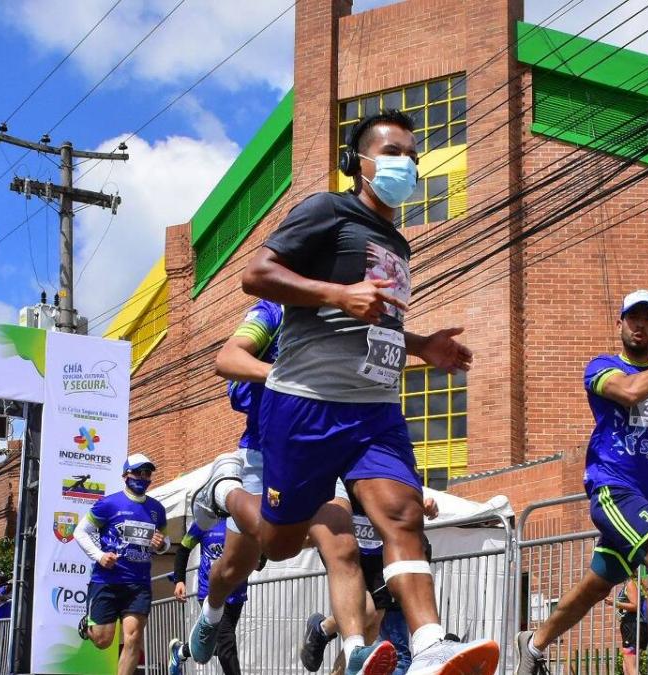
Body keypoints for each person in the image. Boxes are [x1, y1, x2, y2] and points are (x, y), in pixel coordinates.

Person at [197, 109, 498, 675]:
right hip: (307, 404)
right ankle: (225, 491)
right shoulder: (328, 210)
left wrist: (419, 345)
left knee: (402, 514)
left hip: (374, 409)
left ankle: (430, 645)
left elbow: (370, 318)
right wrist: (336, 293)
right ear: (359, 164)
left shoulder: (399, 244)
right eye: (392, 153)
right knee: (278, 541)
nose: (406, 163)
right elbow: (256, 275)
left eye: (412, 154)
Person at [515, 290, 648, 675]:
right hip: (612, 489)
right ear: (620, 324)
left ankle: (533, 644)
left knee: (598, 585)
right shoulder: (602, 367)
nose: (639, 325)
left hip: (647, 500)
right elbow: (630, 392)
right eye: (633, 318)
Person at [187, 300, 390, 675]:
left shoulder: (345, 317)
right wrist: (285, 376)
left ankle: (356, 650)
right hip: (267, 454)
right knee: (240, 563)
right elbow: (228, 359)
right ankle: (223, 495)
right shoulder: (271, 313)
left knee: (342, 543)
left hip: (324, 452)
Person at [303, 498, 440, 675]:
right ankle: (321, 627)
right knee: (366, 613)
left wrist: (421, 502)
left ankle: (328, 643)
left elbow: (399, 488)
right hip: (346, 542)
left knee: (374, 621)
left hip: (377, 551)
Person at [73, 454, 170, 675]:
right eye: (138, 472)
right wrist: (99, 556)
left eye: (147, 473)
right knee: (102, 640)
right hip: (107, 580)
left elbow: (164, 542)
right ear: (126, 475)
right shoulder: (109, 504)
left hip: (138, 583)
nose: (143, 477)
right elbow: (80, 531)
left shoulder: (157, 509)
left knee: (133, 637)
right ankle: (87, 626)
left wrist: (161, 544)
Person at [167, 520, 250, 675]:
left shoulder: (244, 519)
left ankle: (181, 652)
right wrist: (179, 580)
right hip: (210, 594)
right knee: (226, 642)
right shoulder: (203, 521)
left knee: (217, 644)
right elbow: (183, 549)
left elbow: (261, 551)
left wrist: (259, 559)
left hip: (236, 595)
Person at [608, 575, 648, 675]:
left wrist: (614, 603)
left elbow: (635, 606)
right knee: (627, 669)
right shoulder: (638, 584)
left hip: (633, 627)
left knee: (631, 668)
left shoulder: (631, 584)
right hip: (635, 627)